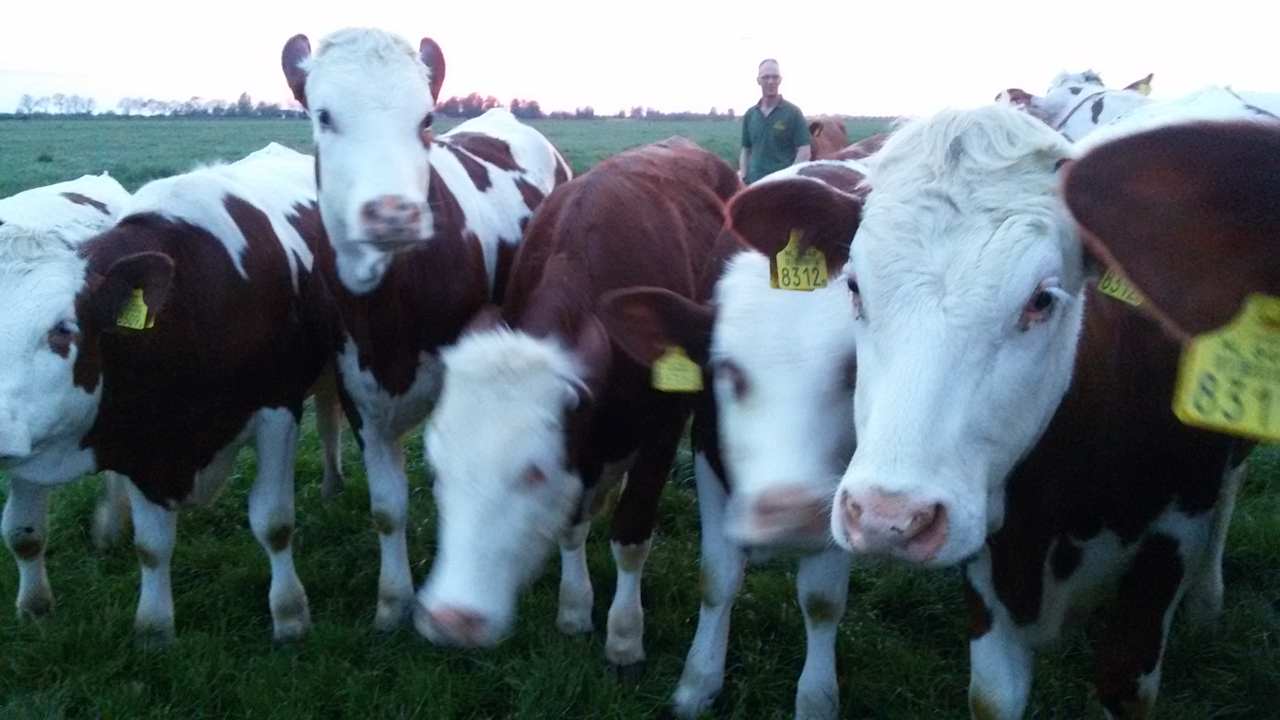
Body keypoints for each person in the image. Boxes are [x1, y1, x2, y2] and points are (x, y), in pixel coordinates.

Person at [739, 58, 811, 184]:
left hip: (782, 187)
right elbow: (745, 150)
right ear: (758, 81)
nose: (771, 81)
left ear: (780, 80)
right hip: (754, 184)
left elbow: (804, 151)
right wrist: (744, 176)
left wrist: (789, 178)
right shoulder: (750, 115)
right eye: (766, 77)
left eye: (775, 77)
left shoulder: (793, 113)